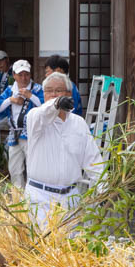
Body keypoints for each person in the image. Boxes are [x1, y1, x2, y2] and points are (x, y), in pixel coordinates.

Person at [24, 72, 102, 228]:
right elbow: (44, 113)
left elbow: (93, 161)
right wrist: (56, 103)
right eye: (49, 91)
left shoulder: (78, 123)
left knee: (70, 246)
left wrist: (104, 189)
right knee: (44, 246)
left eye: (58, 90)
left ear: (69, 94)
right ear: (43, 94)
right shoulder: (35, 117)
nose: (53, 94)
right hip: (41, 198)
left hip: (71, 198)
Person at [0, 60, 44, 188]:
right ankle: (17, 197)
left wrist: (31, 96)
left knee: (33, 168)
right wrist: (11, 100)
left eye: (26, 74)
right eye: (20, 75)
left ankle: (33, 197)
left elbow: (45, 107)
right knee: (14, 169)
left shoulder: (37, 89)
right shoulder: (10, 91)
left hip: (32, 134)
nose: (24, 78)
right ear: (14, 75)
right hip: (14, 133)